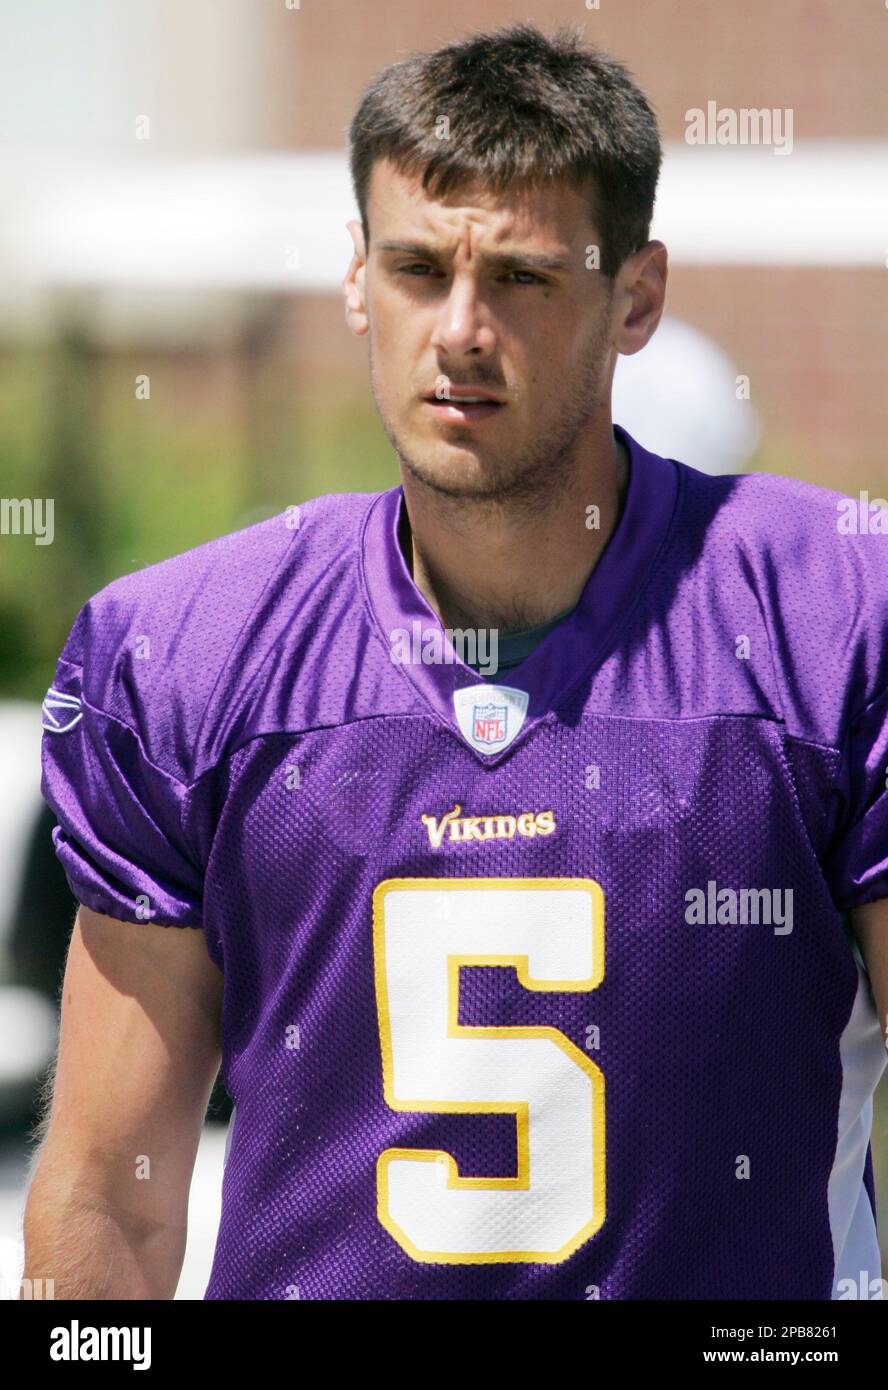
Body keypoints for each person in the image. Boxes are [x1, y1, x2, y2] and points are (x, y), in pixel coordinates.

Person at [24, 22, 888, 1301]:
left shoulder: (830, 615)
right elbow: (110, 1197)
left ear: (635, 297)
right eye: (421, 269)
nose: (463, 331)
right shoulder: (192, 653)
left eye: (526, 280)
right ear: (359, 283)